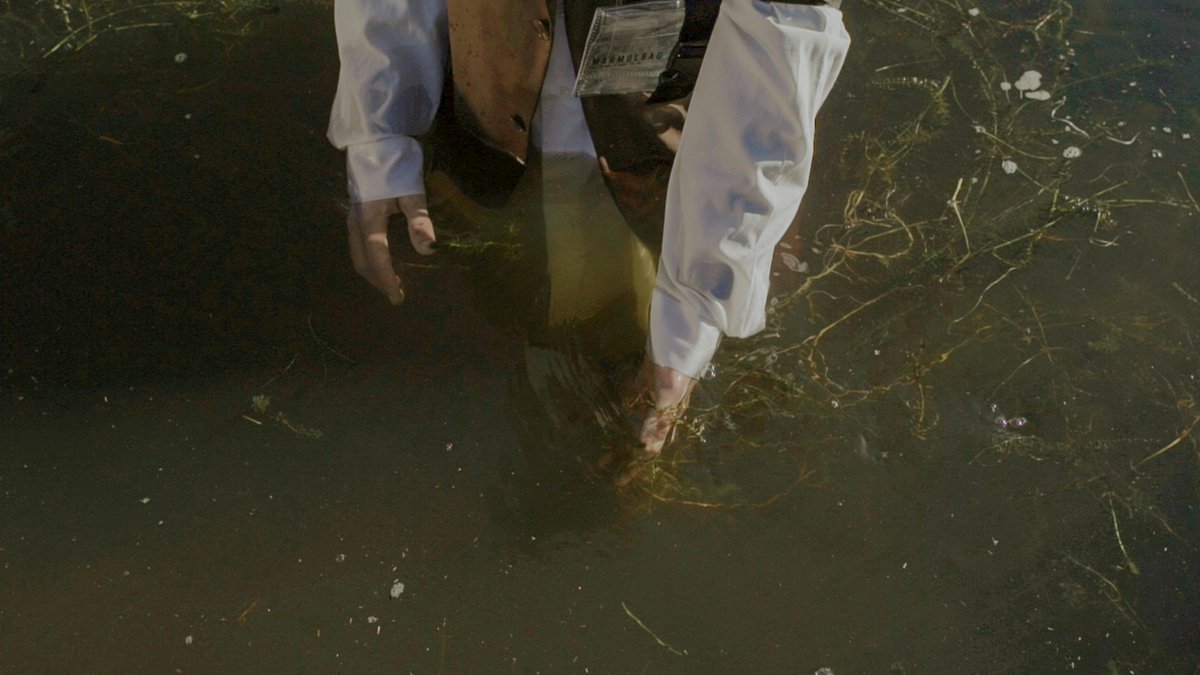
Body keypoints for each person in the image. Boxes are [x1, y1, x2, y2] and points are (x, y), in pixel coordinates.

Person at [327, 0, 850, 471]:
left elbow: (784, 31)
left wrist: (695, 309)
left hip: (674, 144)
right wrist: (382, 125)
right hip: (487, 105)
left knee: (652, 372)